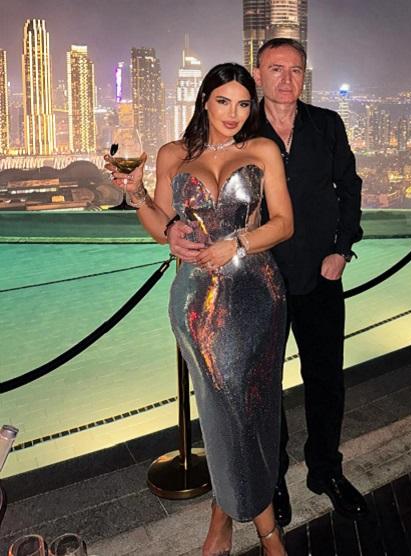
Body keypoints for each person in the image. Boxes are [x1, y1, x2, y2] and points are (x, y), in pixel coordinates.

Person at [169, 38, 367, 527]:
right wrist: (166, 223)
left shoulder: (327, 125)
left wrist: (342, 249)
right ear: (258, 75)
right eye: (275, 69)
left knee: (326, 379)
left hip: (320, 273)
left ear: (304, 75)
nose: (286, 79)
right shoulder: (239, 127)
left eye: (295, 70)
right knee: (261, 389)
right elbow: (192, 190)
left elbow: (349, 188)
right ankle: (270, 479)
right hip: (258, 284)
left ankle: (326, 469)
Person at [106, 63, 292, 556]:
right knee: (222, 411)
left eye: (244, 103)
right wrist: (139, 197)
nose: (234, 113)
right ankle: (265, 530)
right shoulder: (173, 154)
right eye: (224, 101)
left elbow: (284, 223)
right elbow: (161, 224)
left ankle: (227, 517)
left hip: (258, 295)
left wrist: (238, 243)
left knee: (253, 410)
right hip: (196, 305)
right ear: (204, 100)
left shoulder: (262, 149)